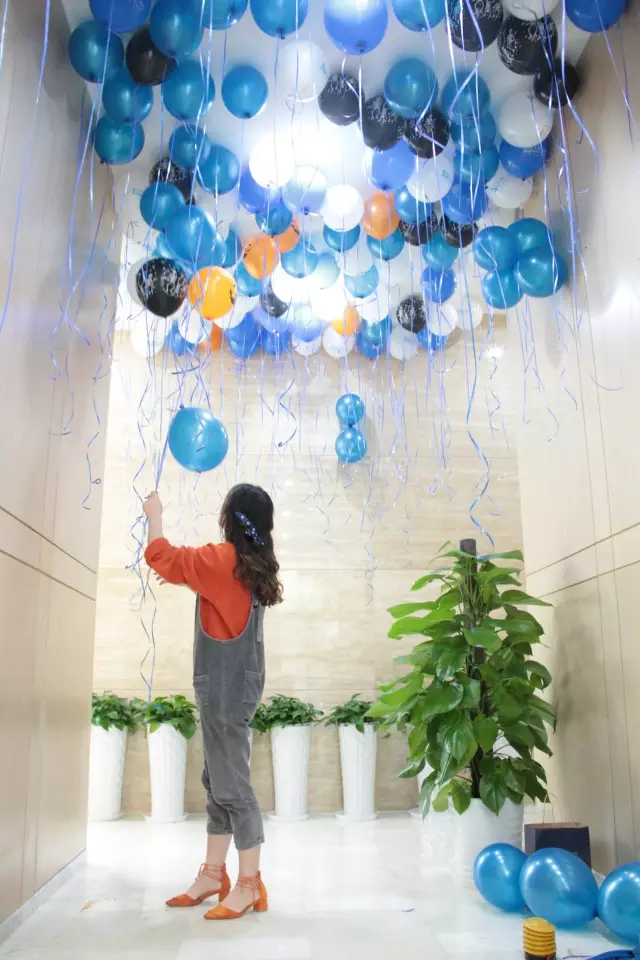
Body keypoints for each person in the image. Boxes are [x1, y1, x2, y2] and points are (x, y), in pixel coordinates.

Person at [143, 483, 283, 920]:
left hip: (224, 690)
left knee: (232, 787)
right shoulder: (249, 565)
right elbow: (215, 591)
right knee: (217, 781)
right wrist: (189, 578)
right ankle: (212, 875)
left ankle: (249, 884)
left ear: (228, 518)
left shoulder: (222, 560)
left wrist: (154, 514)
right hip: (236, 686)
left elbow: (160, 556)